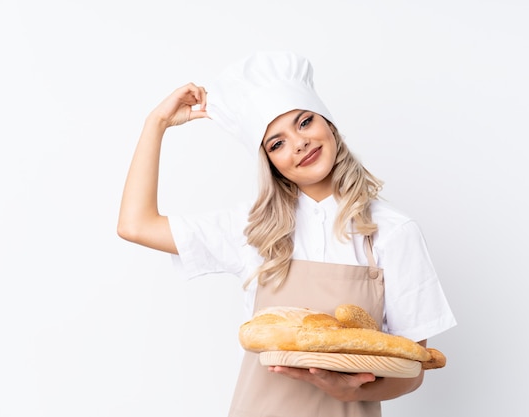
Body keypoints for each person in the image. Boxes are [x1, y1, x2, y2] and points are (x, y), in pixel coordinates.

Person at [118, 51, 456, 417]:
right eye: (277, 143)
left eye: (305, 122)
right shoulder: (252, 228)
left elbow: (413, 367)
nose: (298, 143)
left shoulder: (394, 231)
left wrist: (348, 391)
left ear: (328, 125)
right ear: (270, 163)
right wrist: (156, 123)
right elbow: (135, 225)